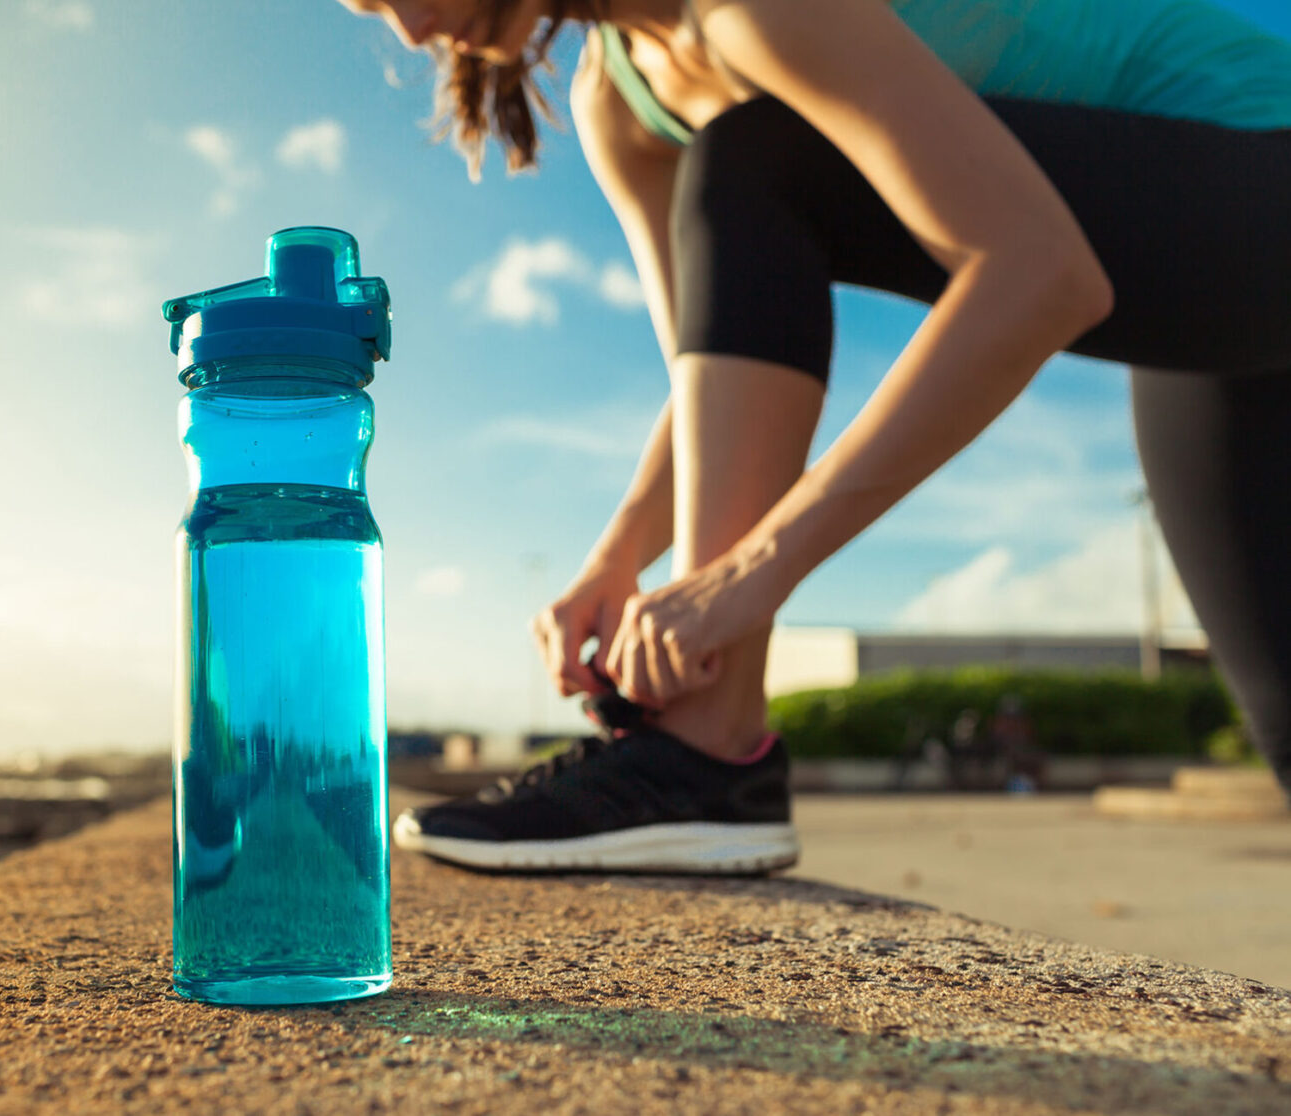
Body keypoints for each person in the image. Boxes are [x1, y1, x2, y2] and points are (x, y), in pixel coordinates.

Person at [335, 0, 1291, 871]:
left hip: (1256, 160)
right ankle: (701, 756)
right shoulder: (617, 105)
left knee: (753, 155)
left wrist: (747, 577)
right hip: (1207, 317)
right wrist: (619, 557)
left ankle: (706, 752)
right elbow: (714, 380)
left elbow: (1039, 276)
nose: (411, 32)